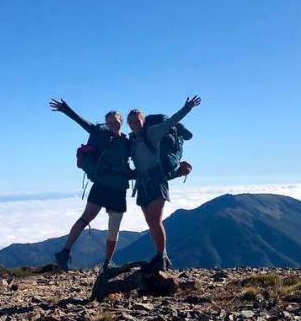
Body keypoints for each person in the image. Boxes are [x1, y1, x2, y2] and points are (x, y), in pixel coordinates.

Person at [49, 99, 132, 273]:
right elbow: (84, 124)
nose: (113, 125)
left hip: (114, 187)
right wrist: (66, 109)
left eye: (115, 122)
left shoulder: (127, 142)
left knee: (111, 226)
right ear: (107, 124)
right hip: (108, 186)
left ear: (121, 122)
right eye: (110, 123)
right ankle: (67, 252)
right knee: (88, 219)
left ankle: (104, 263)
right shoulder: (103, 136)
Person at [128, 95, 202, 271]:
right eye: (130, 122)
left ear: (143, 121)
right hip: (143, 184)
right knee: (151, 222)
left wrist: (187, 108)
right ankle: (160, 255)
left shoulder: (152, 132)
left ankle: (162, 257)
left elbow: (171, 122)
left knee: (155, 221)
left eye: (137, 121)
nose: (133, 124)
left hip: (157, 182)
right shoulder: (132, 139)